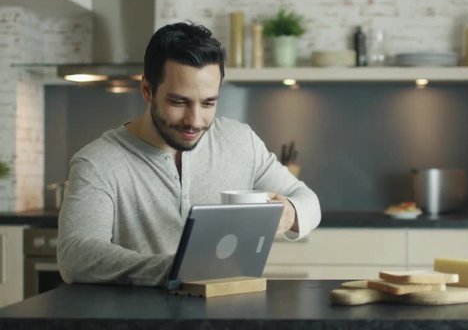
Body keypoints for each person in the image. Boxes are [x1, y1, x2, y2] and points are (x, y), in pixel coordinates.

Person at [57, 22, 321, 286]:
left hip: (228, 314)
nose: (194, 121)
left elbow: (309, 201)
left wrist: (289, 212)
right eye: (179, 102)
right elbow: (76, 255)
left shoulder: (240, 141)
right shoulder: (98, 161)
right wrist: (177, 269)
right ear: (147, 90)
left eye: (208, 103)